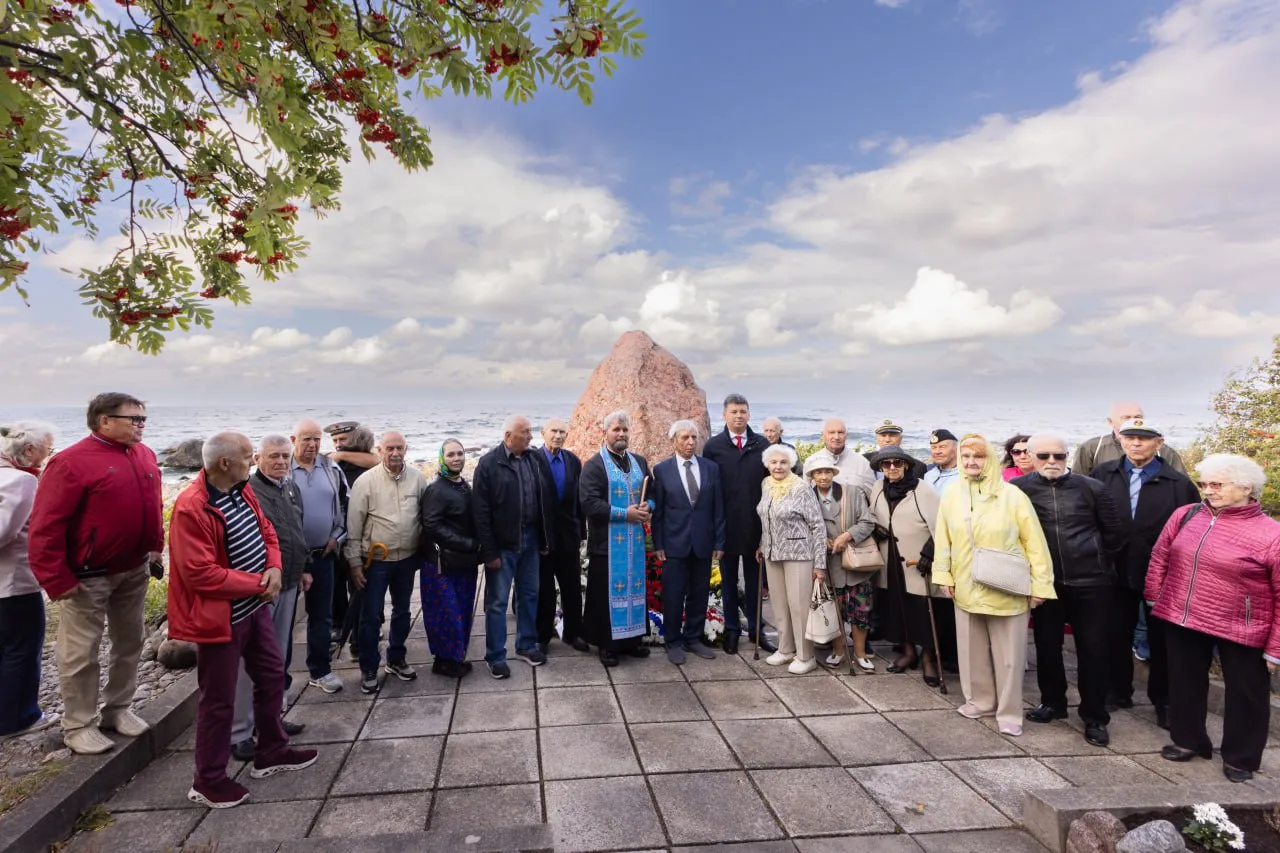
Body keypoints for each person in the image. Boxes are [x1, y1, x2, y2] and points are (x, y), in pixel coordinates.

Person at [168, 432, 318, 809]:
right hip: (221, 619)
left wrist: (274, 567)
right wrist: (257, 583)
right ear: (224, 462)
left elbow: (266, 531)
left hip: (253, 609)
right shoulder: (192, 507)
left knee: (270, 674)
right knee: (218, 700)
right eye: (248, 456)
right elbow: (199, 573)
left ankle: (271, 750)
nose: (252, 462)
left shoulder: (241, 490)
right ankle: (209, 779)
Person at [28, 392, 163, 755]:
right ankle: (79, 725)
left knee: (130, 642)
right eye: (133, 419)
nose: (141, 425)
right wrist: (56, 580)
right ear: (104, 420)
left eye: (143, 418)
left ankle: (118, 709)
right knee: (80, 653)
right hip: (88, 577)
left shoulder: (145, 455)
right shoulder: (70, 463)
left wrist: (156, 546)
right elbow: (45, 527)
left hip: (133, 568)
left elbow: (152, 505)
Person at [1146, 454, 1280, 782]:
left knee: (1247, 691)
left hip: (1243, 624)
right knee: (1184, 680)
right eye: (1203, 483)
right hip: (1183, 614)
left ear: (1246, 487)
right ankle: (1188, 740)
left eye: (1216, 484)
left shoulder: (1272, 534)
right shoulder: (1186, 515)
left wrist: (1275, 648)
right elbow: (1160, 555)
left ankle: (1241, 758)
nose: (1208, 490)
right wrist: (1155, 597)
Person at [932, 434, 1055, 737]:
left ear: (990, 459)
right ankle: (980, 701)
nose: (971, 462)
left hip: (1006, 586)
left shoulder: (1012, 496)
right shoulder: (952, 494)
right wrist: (944, 576)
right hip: (966, 584)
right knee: (971, 651)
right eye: (966, 457)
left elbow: (1035, 543)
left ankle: (1010, 711)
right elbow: (943, 539)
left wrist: (1040, 585)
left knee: (1009, 656)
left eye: (979, 456)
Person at [1012, 434, 1127, 747]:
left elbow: (1114, 533)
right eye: (1045, 455)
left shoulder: (1092, 488)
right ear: (1031, 457)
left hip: (1091, 583)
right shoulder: (1019, 490)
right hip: (1046, 584)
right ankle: (1053, 703)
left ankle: (1094, 716)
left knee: (1093, 651)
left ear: (1068, 457)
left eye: (1059, 456)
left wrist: (1096, 559)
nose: (1052, 462)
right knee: (1047, 647)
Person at [1091, 418, 1200, 727]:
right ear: (1121, 441)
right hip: (1115, 569)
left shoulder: (1178, 484)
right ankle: (1118, 690)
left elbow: (1190, 529)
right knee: (1114, 634)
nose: (1136, 443)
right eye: (1129, 437)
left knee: (1162, 641)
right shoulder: (1103, 474)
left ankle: (1163, 700)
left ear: (1159, 442)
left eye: (1143, 438)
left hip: (1162, 575)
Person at [231, 435, 309, 761]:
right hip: (262, 588)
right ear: (258, 458)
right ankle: (240, 733)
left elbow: (297, 529)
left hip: (290, 582)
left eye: (285, 456)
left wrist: (305, 568)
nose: (280, 461)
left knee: (279, 658)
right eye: (273, 456)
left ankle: (271, 720)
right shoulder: (248, 491)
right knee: (251, 663)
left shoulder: (289, 487)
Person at [345, 430, 426, 694]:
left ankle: (396, 658)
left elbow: (425, 518)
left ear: (406, 449)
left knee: (403, 612)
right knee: (370, 617)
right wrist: (355, 563)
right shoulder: (366, 482)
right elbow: (354, 527)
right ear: (380, 450)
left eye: (399, 448)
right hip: (375, 561)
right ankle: (369, 667)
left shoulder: (417, 478)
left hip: (407, 559)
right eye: (389, 448)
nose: (395, 453)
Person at [473, 415, 553, 679]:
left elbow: (543, 501)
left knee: (530, 595)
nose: (531, 436)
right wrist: (490, 551)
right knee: (496, 603)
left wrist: (543, 539)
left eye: (531, 431)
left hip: (530, 539)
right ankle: (495, 656)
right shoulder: (488, 464)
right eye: (525, 432)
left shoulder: (534, 459)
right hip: (503, 544)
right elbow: (481, 513)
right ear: (508, 436)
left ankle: (526, 645)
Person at [867, 446, 947, 685]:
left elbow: (941, 525)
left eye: (897, 463)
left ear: (907, 465)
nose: (892, 468)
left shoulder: (923, 490)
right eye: (886, 464)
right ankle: (909, 653)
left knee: (922, 611)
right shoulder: (878, 488)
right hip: (889, 558)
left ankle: (929, 659)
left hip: (917, 560)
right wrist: (875, 528)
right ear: (881, 468)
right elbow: (872, 516)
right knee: (897, 608)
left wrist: (930, 552)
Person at [702, 394, 776, 654]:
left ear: (749, 414)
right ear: (724, 415)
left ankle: (757, 631)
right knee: (729, 583)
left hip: (756, 528)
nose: (739, 416)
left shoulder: (762, 445)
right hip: (727, 529)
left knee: (756, 585)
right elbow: (708, 489)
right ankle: (732, 630)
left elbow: (772, 486)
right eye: (734, 411)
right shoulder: (713, 447)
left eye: (743, 411)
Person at [580, 411, 655, 667]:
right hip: (607, 544)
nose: (621, 434)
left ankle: (631, 640)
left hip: (634, 542)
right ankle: (607, 645)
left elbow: (652, 493)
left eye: (624, 430)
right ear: (605, 432)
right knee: (605, 596)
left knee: (635, 590)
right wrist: (626, 513)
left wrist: (648, 507)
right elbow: (589, 504)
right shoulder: (594, 466)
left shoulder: (639, 462)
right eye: (616, 430)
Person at [0, 422, 59, 740]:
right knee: (22, 649)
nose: (48, 456)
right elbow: (5, 531)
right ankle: (18, 718)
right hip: (14, 580)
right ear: (28, 451)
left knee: (7, 647)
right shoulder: (21, 482)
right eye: (47, 450)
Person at [652, 420, 724, 664]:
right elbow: (658, 511)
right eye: (685, 438)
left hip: (703, 543)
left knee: (699, 593)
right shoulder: (662, 470)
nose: (691, 442)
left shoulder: (711, 468)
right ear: (674, 441)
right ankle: (673, 642)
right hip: (673, 544)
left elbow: (718, 509)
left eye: (694, 437)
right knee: (673, 595)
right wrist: (658, 543)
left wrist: (719, 542)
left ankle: (693, 638)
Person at [755, 444, 826, 674]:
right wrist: (762, 544)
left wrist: (820, 563)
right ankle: (785, 649)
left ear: (791, 464)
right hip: (772, 553)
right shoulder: (766, 484)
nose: (778, 466)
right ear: (767, 464)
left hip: (799, 554)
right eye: (774, 462)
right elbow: (767, 519)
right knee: (779, 604)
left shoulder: (801, 488)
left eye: (783, 462)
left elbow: (817, 525)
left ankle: (806, 655)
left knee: (799, 606)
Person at [289, 420, 347, 695]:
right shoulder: (282, 469)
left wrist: (338, 536)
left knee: (322, 616)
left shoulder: (331, 468)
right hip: (290, 559)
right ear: (293, 439)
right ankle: (280, 682)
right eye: (306, 439)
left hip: (323, 555)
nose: (312, 444)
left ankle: (320, 670)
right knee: (284, 621)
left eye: (316, 439)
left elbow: (345, 505)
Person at [806, 455, 876, 671]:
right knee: (833, 609)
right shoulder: (806, 496)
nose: (824, 476)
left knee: (861, 611)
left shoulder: (852, 492)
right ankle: (838, 651)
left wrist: (847, 536)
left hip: (856, 563)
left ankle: (861, 653)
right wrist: (820, 540)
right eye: (819, 472)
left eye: (828, 471)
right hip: (827, 564)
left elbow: (868, 521)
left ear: (834, 473)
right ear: (812, 476)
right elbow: (800, 525)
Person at [420, 439, 480, 679]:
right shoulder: (436, 488)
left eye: (460, 454)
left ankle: (455, 657)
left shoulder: (462, 485)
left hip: (463, 562)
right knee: (446, 613)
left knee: (463, 611)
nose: (456, 458)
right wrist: (467, 543)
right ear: (442, 458)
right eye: (451, 455)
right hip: (442, 563)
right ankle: (444, 660)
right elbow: (432, 525)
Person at [532, 418, 588, 653]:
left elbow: (579, 500)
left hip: (568, 536)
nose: (558, 435)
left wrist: (582, 531)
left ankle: (573, 634)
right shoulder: (533, 460)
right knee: (544, 589)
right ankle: (542, 637)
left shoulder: (573, 461)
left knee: (572, 587)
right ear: (543, 433)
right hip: (543, 537)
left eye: (562, 431)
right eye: (553, 431)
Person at [327, 422, 376, 651]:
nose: (338, 445)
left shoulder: (365, 460)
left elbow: (376, 460)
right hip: (336, 535)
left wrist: (341, 454)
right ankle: (340, 628)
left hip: (362, 535)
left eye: (343, 439)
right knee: (337, 586)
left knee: (359, 586)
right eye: (336, 441)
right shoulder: (332, 463)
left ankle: (358, 638)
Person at [1073, 401, 1187, 475]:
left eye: (1137, 417)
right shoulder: (1093, 448)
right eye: (1126, 418)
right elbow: (1077, 485)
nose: (1132, 421)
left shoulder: (1163, 451)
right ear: (1110, 422)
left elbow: (1181, 485)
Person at [804, 418, 874, 496]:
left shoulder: (863, 464)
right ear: (822, 435)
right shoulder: (811, 462)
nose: (836, 437)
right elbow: (806, 496)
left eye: (840, 432)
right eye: (831, 432)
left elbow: (872, 500)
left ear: (846, 435)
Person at [923, 429, 961, 496]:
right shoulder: (928, 475)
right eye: (934, 447)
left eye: (942, 447)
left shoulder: (964, 477)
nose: (937, 452)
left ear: (956, 449)